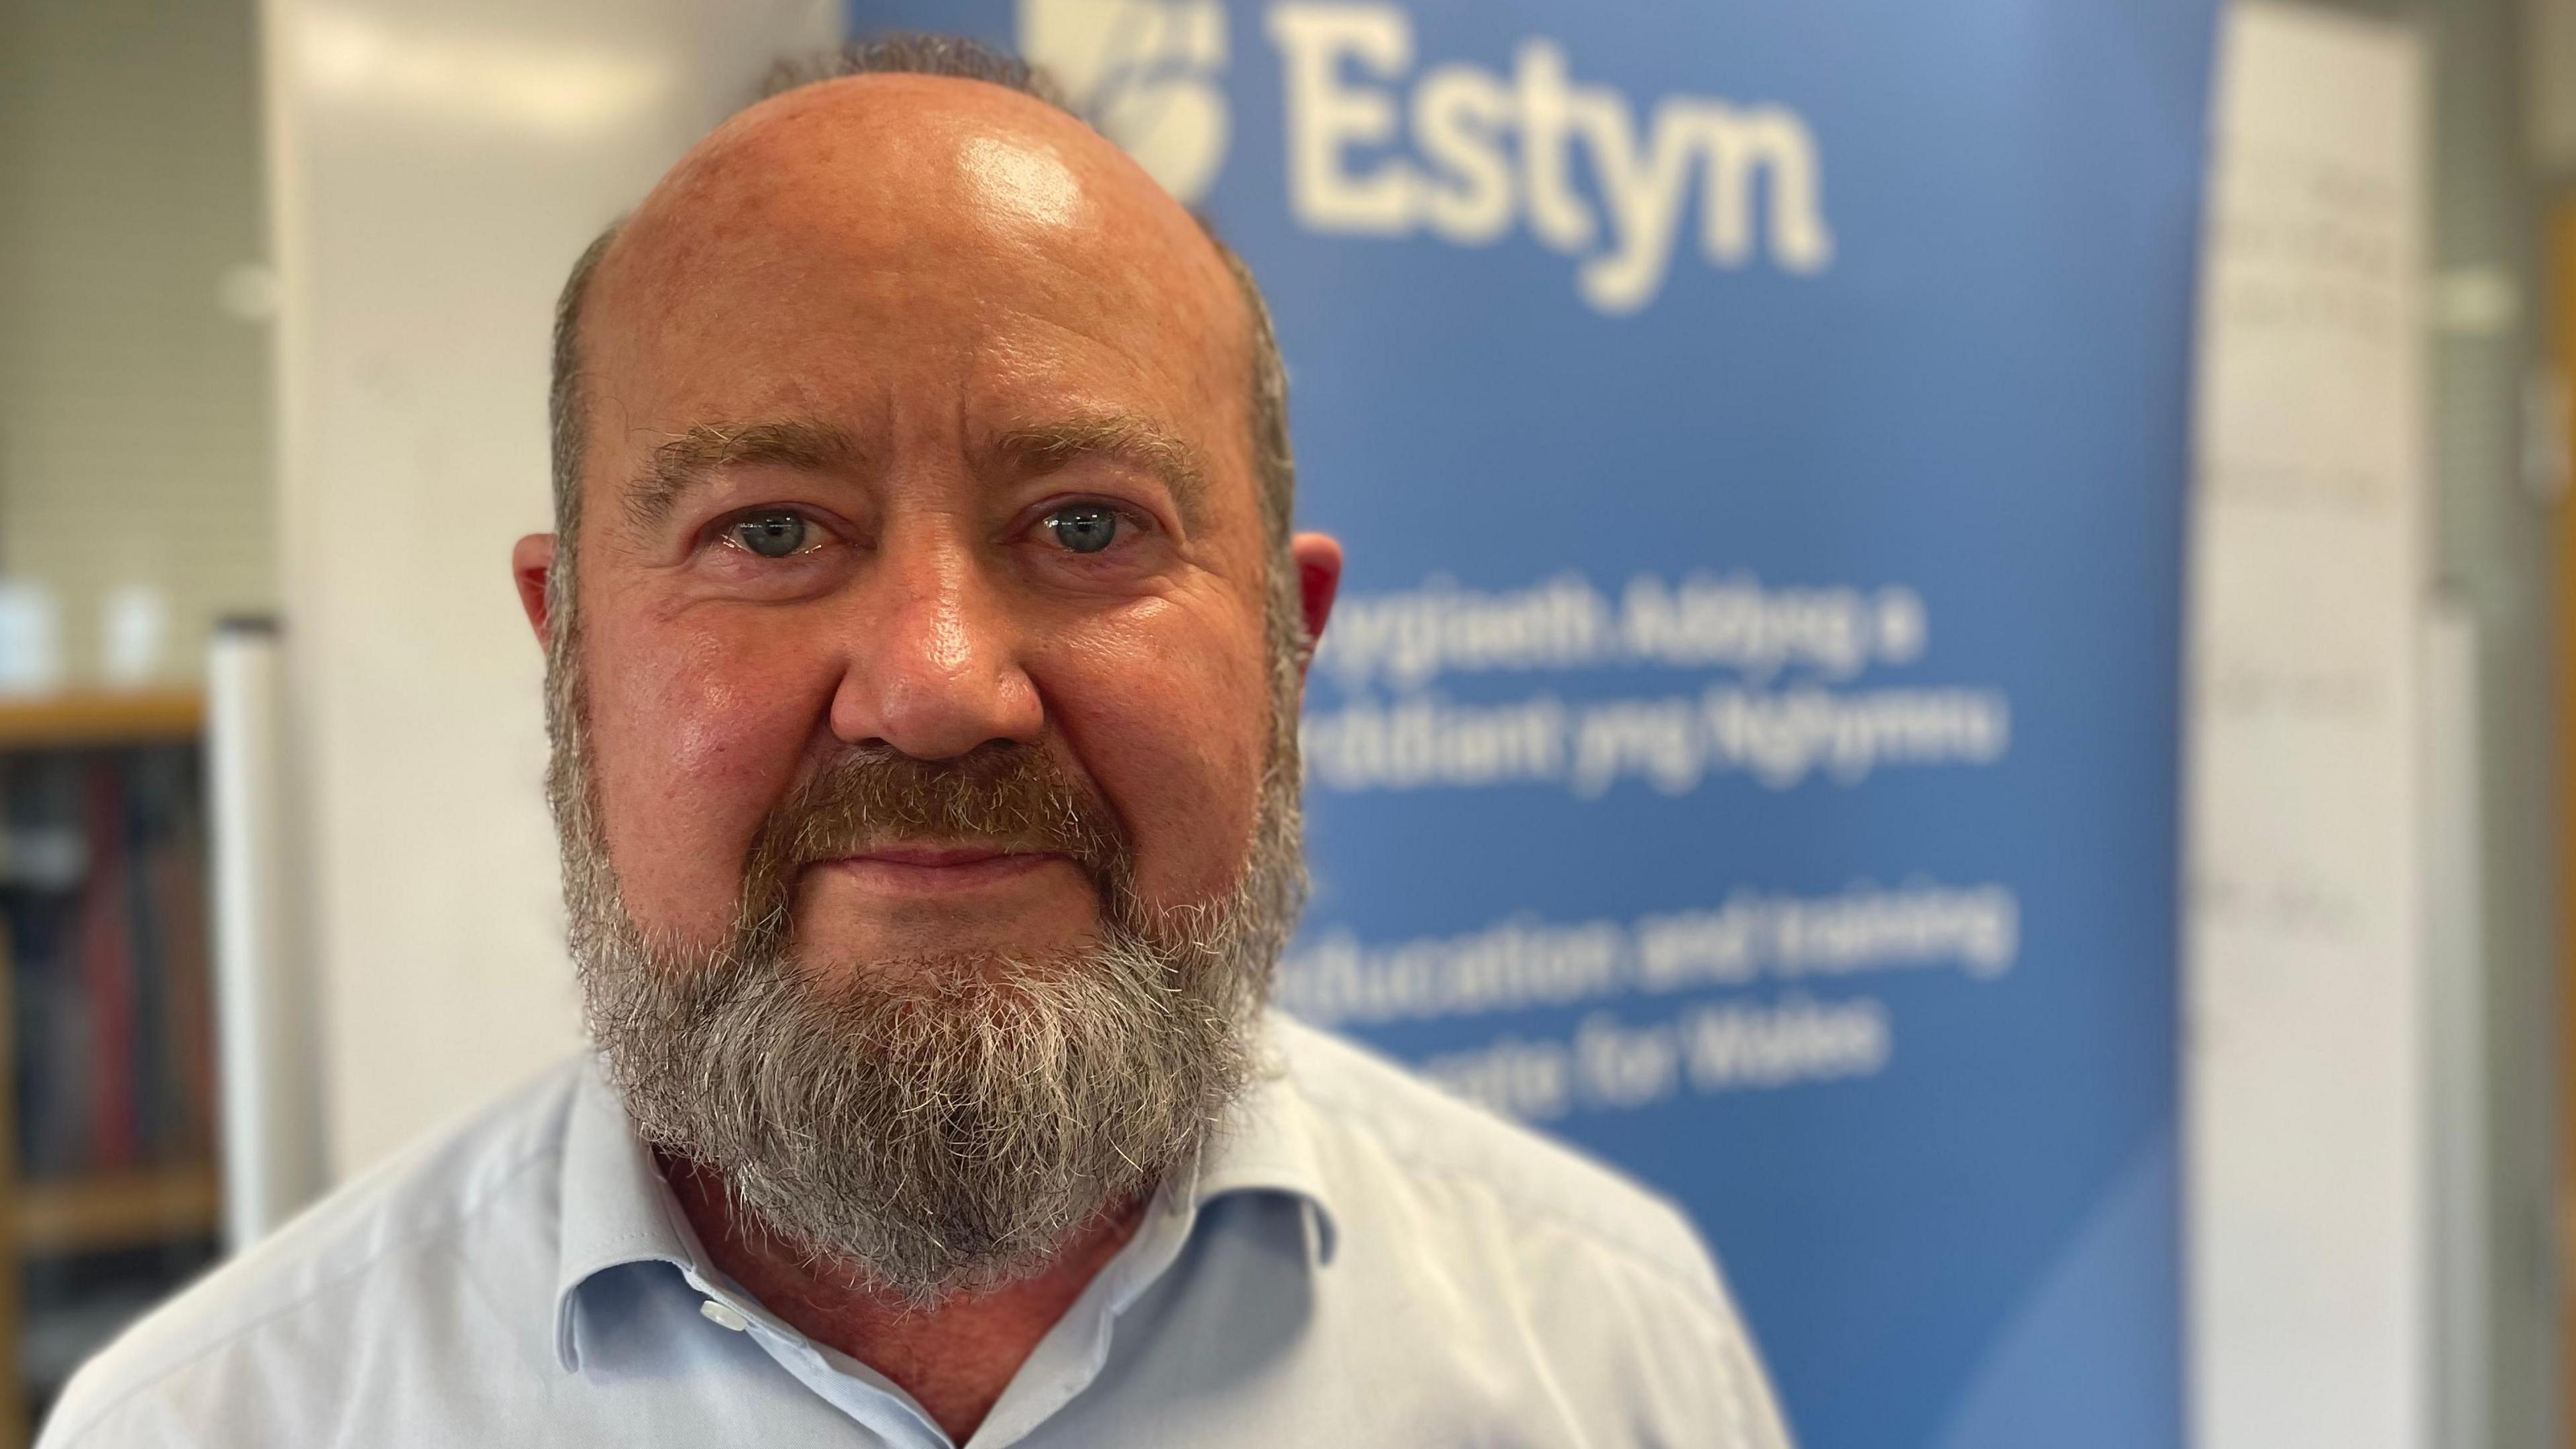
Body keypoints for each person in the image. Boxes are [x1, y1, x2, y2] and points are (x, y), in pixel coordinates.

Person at [44, 37, 1790, 1449]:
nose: (941, 687)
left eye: (1088, 528)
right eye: (776, 533)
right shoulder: (218, 1420)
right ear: (569, 655)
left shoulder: (1609, 1352)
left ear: (1290, 641)